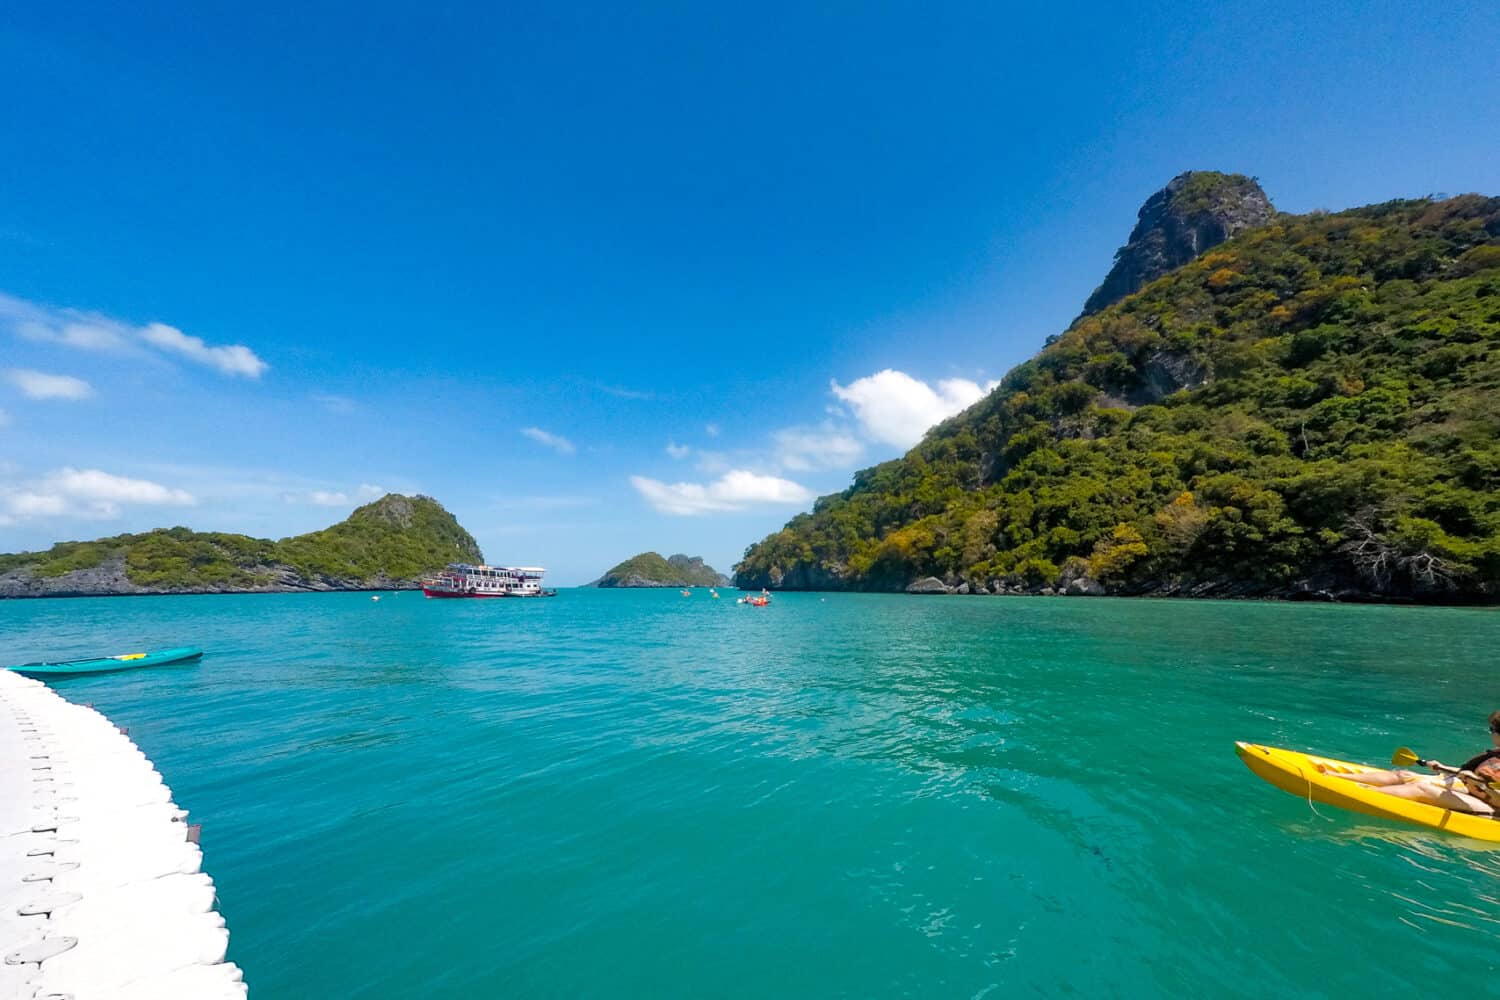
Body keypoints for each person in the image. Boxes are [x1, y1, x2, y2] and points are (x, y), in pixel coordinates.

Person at [1314, 711, 1500, 816]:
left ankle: (1360, 795)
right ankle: (1337, 776)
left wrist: (1485, 788)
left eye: (1493, 729)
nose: (1490, 733)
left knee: (1421, 788)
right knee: (1404, 776)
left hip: (1491, 809)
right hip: (1469, 790)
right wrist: (1440, 766)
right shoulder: (1490, 755)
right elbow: (1462, 771)